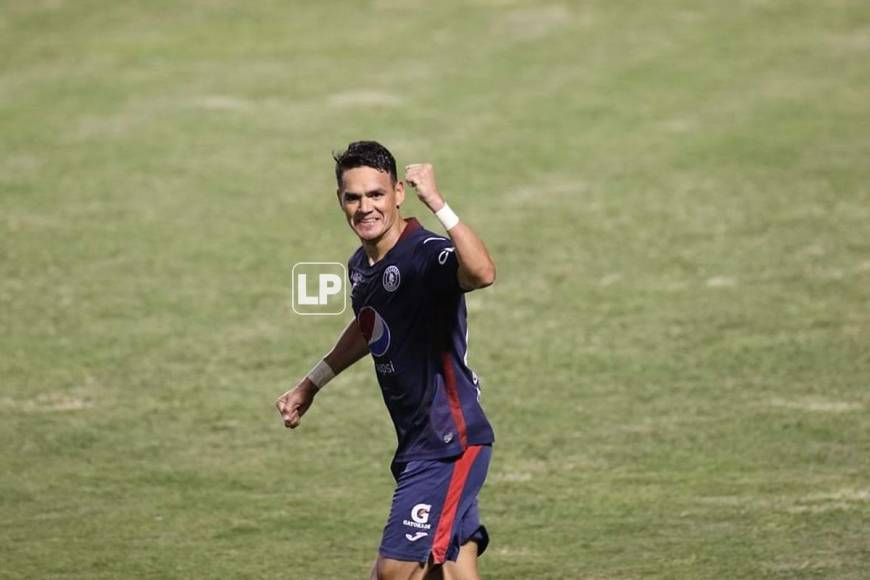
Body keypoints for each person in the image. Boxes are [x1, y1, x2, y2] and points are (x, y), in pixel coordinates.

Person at [276, 141, 497, 580]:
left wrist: (438, 203)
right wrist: (311, 384)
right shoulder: (361, 266)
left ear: (398, 193)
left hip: (449, 443)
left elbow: (481, 273)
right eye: (353, 197)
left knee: (394, 572)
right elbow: (368, 325)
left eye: (375, 195)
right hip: (418, 443)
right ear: (340, 200)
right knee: (451, 568)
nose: (364, 208)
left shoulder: (424, 252)